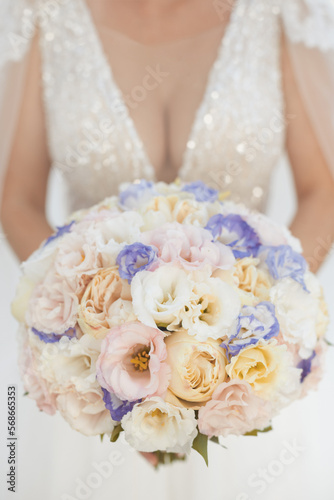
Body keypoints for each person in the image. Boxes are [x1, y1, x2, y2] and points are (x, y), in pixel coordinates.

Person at [0, 1, 334, 499]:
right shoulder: (48, 16)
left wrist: (261, 324)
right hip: (96, 385)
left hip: (243, 387)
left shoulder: (275, 12)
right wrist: (94, 339)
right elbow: (17, 197)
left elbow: (322, 190)